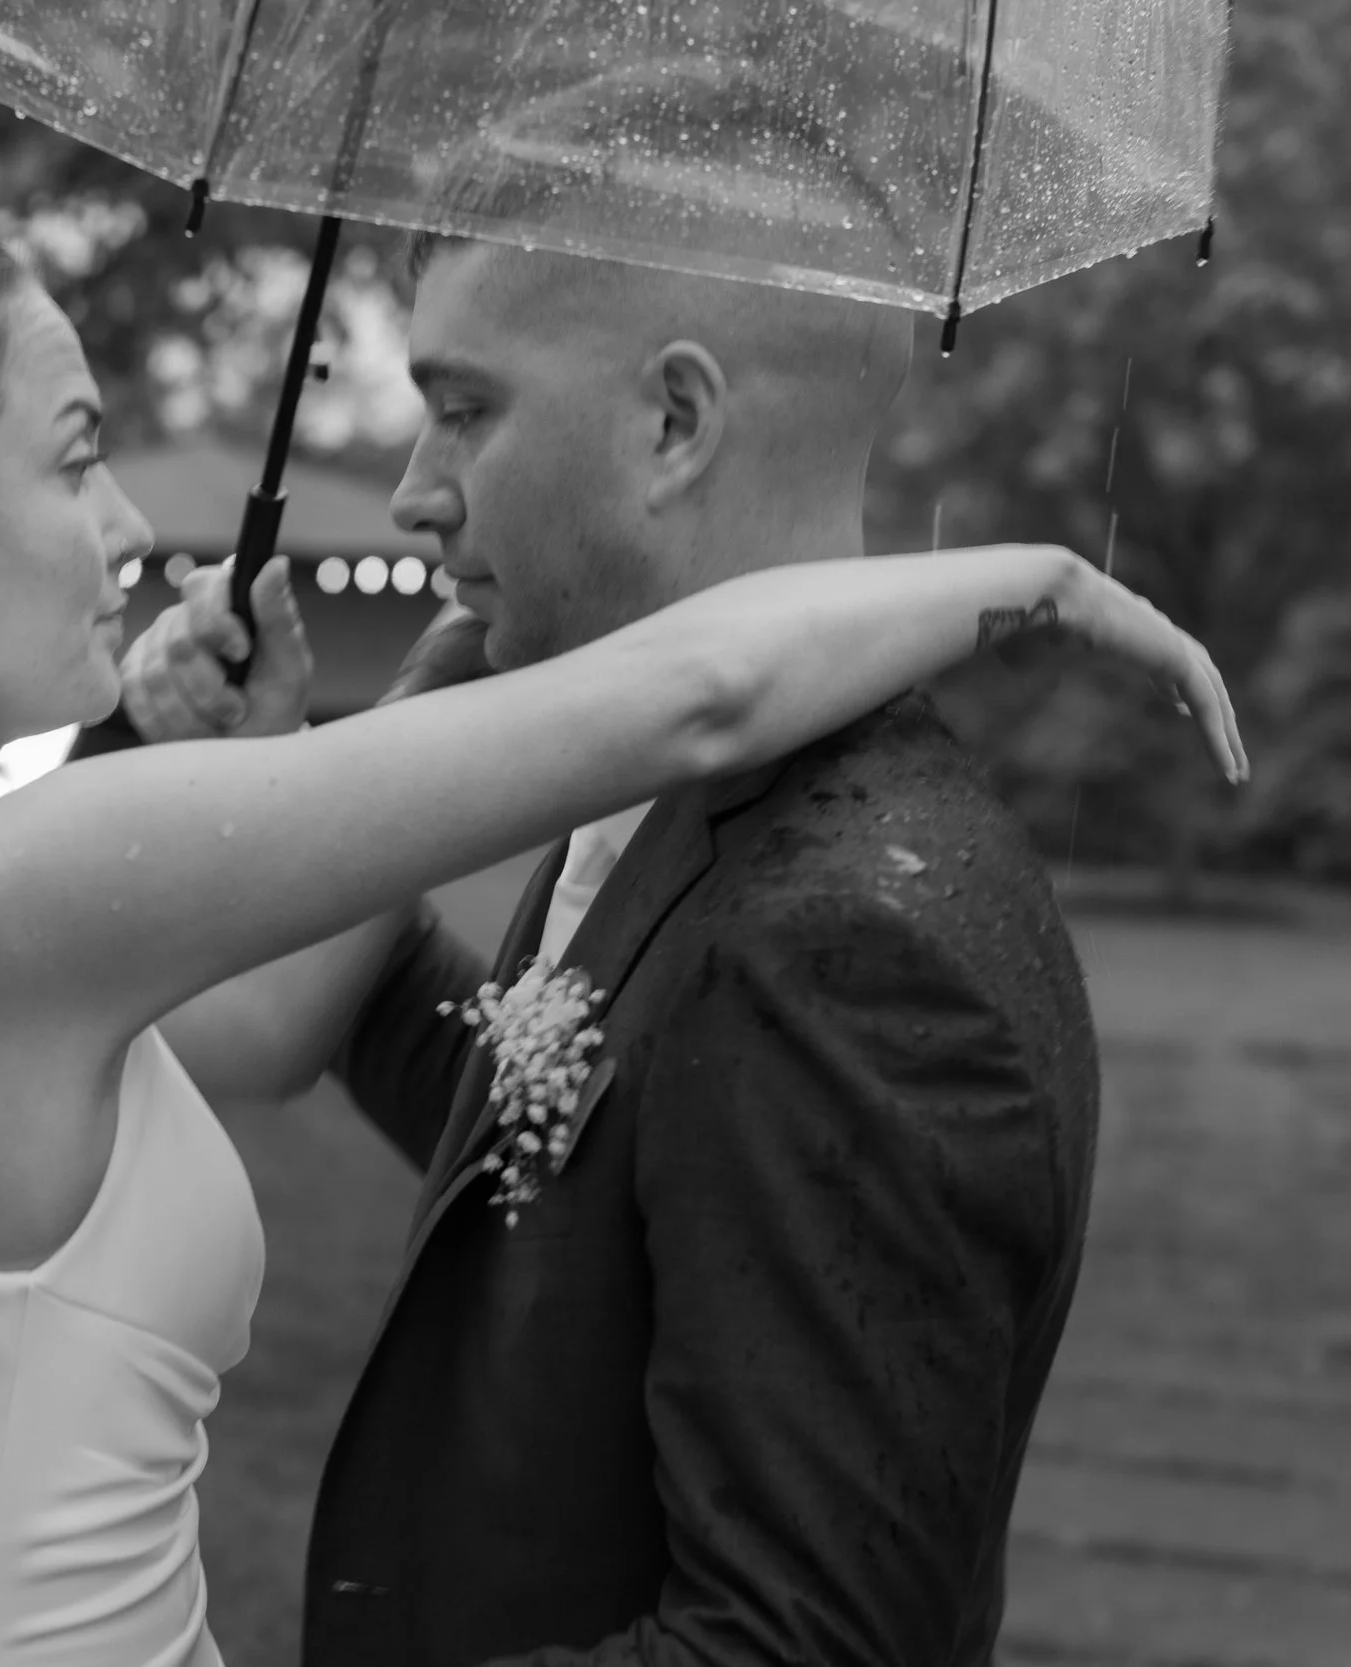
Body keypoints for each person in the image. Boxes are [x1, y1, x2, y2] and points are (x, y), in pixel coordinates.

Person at [0, 201, 1242, 1667]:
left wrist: (385, 703)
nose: (127, 535)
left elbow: (253, 1034)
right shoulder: (3, 911)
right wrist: (1036, 580)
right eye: (79, 459)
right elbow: (703, 693)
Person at [105, 237, 1204, 1665]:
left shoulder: (853, 942)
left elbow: (793, 1645)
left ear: (675, 426)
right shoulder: (676, 795)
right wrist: (324, 802)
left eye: (467, 409)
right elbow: (546, 1116)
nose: (415, 489)